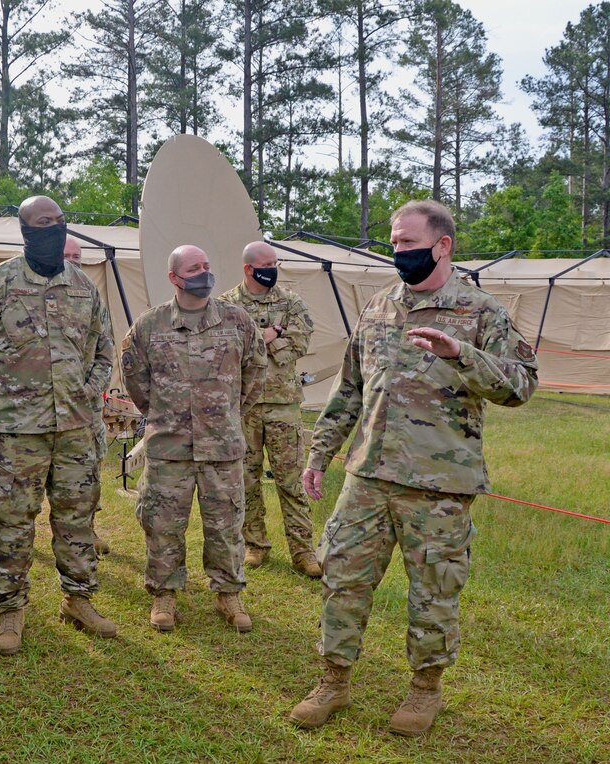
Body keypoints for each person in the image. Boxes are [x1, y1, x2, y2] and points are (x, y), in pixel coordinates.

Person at [290, 200, 539, 736]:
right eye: (394, 242)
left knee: (433, 591)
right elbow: (349, 388)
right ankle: (333, 682)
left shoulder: (480, 311)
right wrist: (319, 453)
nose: (396, 250)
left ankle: (424, 692)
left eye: (406, 242)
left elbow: (521, 385)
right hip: (368, 476)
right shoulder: (379, 307)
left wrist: (462, 355)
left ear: (442, 245)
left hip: (439, 486)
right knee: (343, 580)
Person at [0, 195, 115, 655]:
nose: (54, 228)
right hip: (16, 432)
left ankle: (78, 600)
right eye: (43, 222)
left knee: (77, 516)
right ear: (26, 231)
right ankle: (11, 608)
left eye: (60, 221)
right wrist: (4, 398)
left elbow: (104, 351)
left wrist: (86, 393)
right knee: (11, 519)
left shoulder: (85, 288)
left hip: (75, 428)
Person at [122, 245, 266, 632]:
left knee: (226, 523)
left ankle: (228, 593)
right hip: (169, 447)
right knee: (163, 523)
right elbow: (135, 381)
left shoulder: (238, 321)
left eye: (206, 265)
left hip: (222, 446)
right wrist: (165, 415)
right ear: (174, 278)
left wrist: (228, 415)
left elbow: (255, 372)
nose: (204, 272)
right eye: (194, 267)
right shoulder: (149, 326)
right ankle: (164, 594)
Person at [221, 241, 320, 577]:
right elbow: (223, 350)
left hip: (282, 405)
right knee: (246, 479)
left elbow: (299, 345)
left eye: (276, 263)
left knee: (290, 480)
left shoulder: (291, 302)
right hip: (243, 406)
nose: (273, 269)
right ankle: (255, 545)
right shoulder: (226, 305)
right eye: (267, 264)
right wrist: (262, 335)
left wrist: (262, 340)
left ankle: (304, 550)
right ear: (249, 269)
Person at [64, 235, 112, 556]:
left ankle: (88, 531)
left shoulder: (93, 298)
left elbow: (105, 355)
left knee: (89, 473)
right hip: (42, 409)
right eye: (67, 255)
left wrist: (89, 391)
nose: (73, 261)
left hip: (86, 410)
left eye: (78, 256)